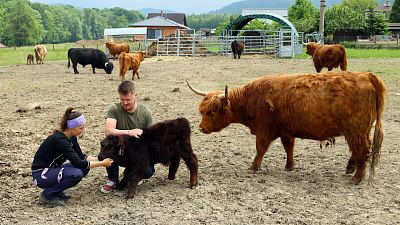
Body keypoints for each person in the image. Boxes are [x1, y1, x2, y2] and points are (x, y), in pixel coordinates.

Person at [32, 107, 114, 207]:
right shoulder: (60, 140)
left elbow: (81, 156)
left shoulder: (71, 138)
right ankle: (47, 195)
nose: (83, 131)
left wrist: (101, 158)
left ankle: (56, 191)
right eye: (80, 128)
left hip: (51, 170)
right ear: (71, 127)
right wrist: (102, 164)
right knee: (76, 173)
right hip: (41, 174)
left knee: (84, 169)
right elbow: (78, 163)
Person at [100, 80, 154, 194]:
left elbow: (151, 139)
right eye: (122, 100)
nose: (124, 103)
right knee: (108, 148)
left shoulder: (146, 113)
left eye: (128, 100)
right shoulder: (114, 109)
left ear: (135, 96)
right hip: (120, 150)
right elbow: (108, 132)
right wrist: (129, 132)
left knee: (148, 171)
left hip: (137, 151)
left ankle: (134, 175)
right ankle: (112, 179)